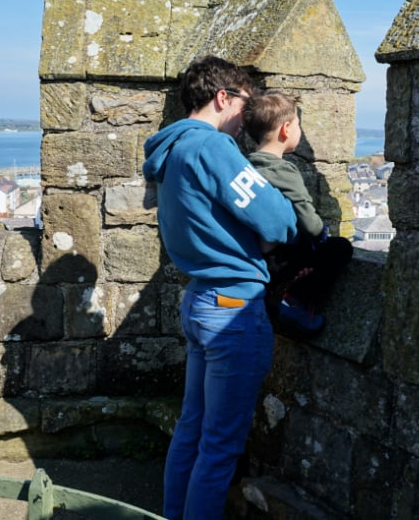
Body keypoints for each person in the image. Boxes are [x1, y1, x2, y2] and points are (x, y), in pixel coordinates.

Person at [142, 56, 298, 520]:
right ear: (223, 97)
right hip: (232, 306)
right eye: (245, 104)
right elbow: (278, 220)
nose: (247, 119)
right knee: (219, 446)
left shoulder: (170, 149)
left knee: (191, 432)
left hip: (199, 299)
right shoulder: (211, 148)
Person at [243, 89, 353, 340]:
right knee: (340, 248)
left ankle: (277, 297)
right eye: (298, 125)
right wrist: (319, 235)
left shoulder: (245, 166)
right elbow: (308, 219)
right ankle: (294, 301)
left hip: (255, 257)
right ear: (286, 130)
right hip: (280, 257)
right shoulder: (283, 170)